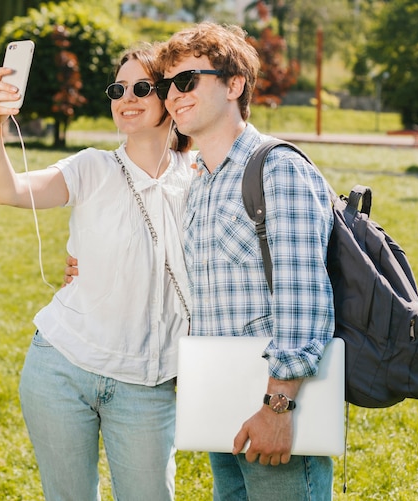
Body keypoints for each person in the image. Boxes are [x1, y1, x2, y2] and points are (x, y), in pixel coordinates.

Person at [0, 44, 195, 501]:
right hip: (60, 368)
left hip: (148, 384)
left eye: (141, 87)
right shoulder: (93, 166)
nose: (126, 98)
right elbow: (9, 189)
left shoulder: (200, 178)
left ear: (170, 96)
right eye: (118, 89)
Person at [155, 23, 336, 500]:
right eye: (166, 85)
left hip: (274, 409)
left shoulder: (278, 168)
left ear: (234, 85)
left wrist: (278, 408)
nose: (173, 95)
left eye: (187, 80)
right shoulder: (201, 181)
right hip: (222, 401)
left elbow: (304, 296)